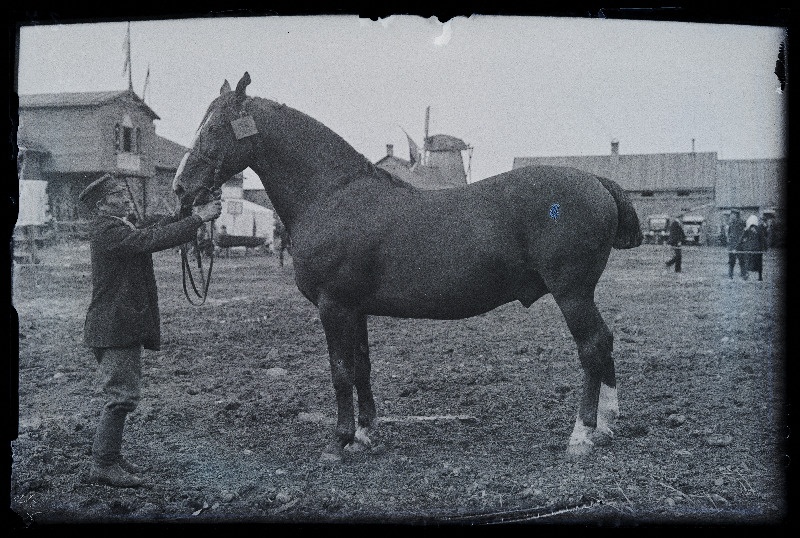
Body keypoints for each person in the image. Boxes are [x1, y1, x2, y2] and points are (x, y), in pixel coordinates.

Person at [79, 173, 222, 487]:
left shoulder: (121, 226)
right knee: (121, 397)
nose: (126, 197)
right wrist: (199, 218)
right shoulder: (107, 231)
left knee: (123, 394)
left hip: (118, 325)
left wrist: (189, 211)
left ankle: (110, 456)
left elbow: (155, 228)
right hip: (114, 327)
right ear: (103, 204)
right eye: (118, 194)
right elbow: (151, 241)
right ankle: (103, 464)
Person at [738, 214, 767, 281]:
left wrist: (739, 245)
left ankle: (746, 275)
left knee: (747, 262)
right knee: (759, 262)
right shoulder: (759, 229)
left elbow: (742, 238)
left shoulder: (747, 229)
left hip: (749, 248)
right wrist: (764, 248)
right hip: (758, 249)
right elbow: (762, 239)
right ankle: (760, 277)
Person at [726, 209, 747, 280]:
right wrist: (729, 242)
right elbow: (729, 234)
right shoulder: (731, 223)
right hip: (732, 245)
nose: (731, 216)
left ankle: (744, 275)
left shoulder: (740, 223)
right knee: (731, 262)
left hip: (739, 246)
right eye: (731, 214)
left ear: (736, 215)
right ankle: (730, 275)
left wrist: (736, 247)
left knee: (742, 261)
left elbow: (741, 236)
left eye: (732, 214)